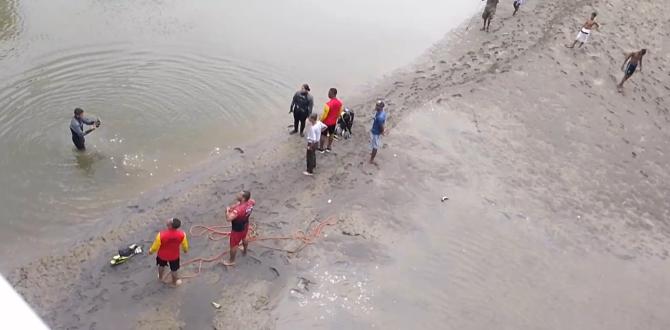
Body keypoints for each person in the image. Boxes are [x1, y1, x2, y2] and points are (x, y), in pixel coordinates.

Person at [149, 218, 189, 287]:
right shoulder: (182, 234)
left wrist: (151, 251)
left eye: (170, 221)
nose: (168, 220)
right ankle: (174, 283)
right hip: (174, 256)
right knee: (174, 270)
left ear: (170, 226)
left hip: (162, 255)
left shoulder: (161, 235)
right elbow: (185, 246)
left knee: (161, 266)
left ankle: (160, 278)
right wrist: (185, 251)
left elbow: (155, 246)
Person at [223, 190, 255, 266]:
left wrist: (227, 211)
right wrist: (238, 204)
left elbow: (228, 219)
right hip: (245, 224)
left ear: (243, 198)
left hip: (237, 229)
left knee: (233, 245)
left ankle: (231, 261)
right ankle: (245, 250)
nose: (237, 195)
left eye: (240, 195)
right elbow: (253, 201)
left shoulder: (238, 210)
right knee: (244, 237)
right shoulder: (250, 202)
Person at [319, 88, 344, 153]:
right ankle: (329, 147)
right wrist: (336, 118)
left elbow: (324, 115)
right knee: (331, 134)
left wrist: (320, 120)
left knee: (323, 135)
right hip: (333, 122)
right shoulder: (340, 103)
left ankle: (321, 148)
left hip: (326, 122)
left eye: (329, 93)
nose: (328, 94)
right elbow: (339, 112)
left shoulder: (328, 104)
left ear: (332, 94)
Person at [369, 100, 387, 166]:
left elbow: (381, 126)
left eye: (377, 106)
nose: (376, 106)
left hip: (376, 133)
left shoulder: (380, 117)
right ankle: (372, 155)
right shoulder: (380, 112)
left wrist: (382, 132)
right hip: (374, 130)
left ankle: (371, 160)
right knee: (373, 144)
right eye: (376, 105)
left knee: (375, 147)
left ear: (381, 107)